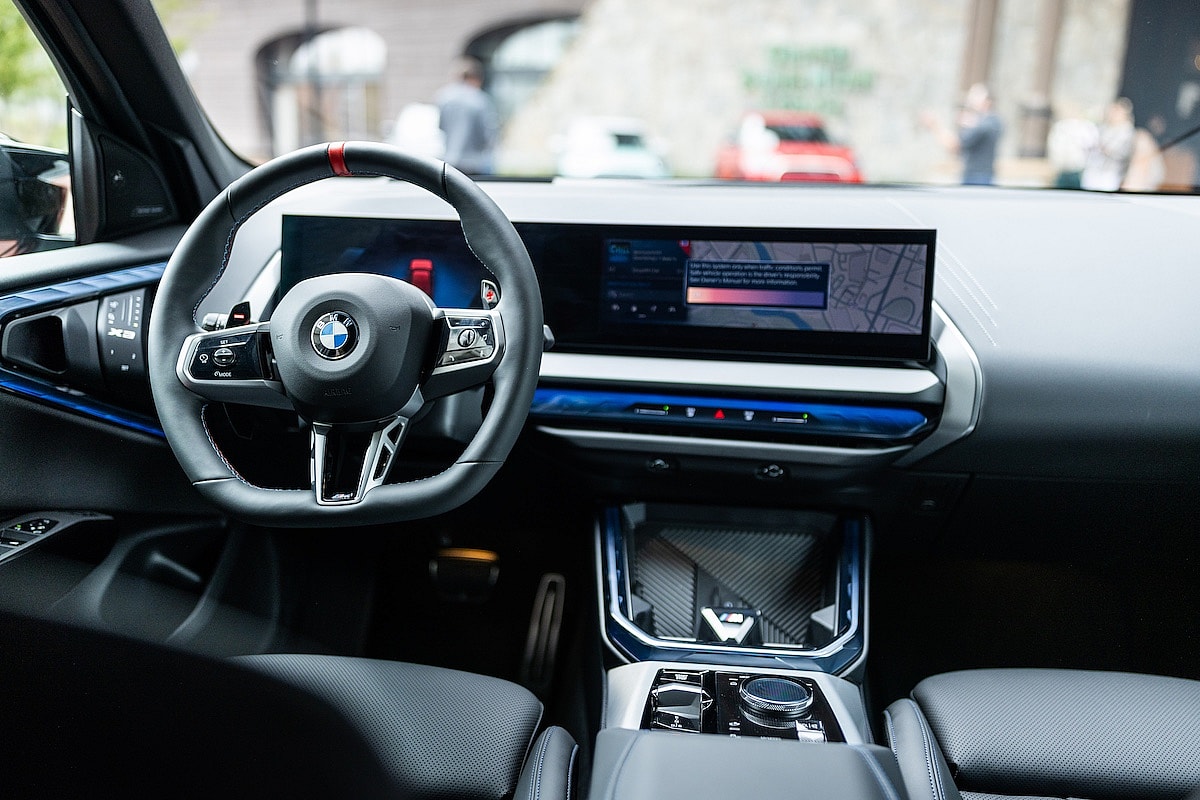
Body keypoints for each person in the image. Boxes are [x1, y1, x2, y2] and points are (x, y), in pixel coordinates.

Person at [923, 83, 1004, 185]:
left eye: (975, 96)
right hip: (978, 175)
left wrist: (935, 126)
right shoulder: (992, 122)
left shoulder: (986, 124)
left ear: (987, 102)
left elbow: (954, 145)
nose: (970, 100)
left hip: (976, 177)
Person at [434, 57, 499, 176]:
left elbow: (441, 127)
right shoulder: (480, 99)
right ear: (477, 79)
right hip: (475, 164)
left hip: (450, 161)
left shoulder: (443, 97)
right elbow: (487, 135)